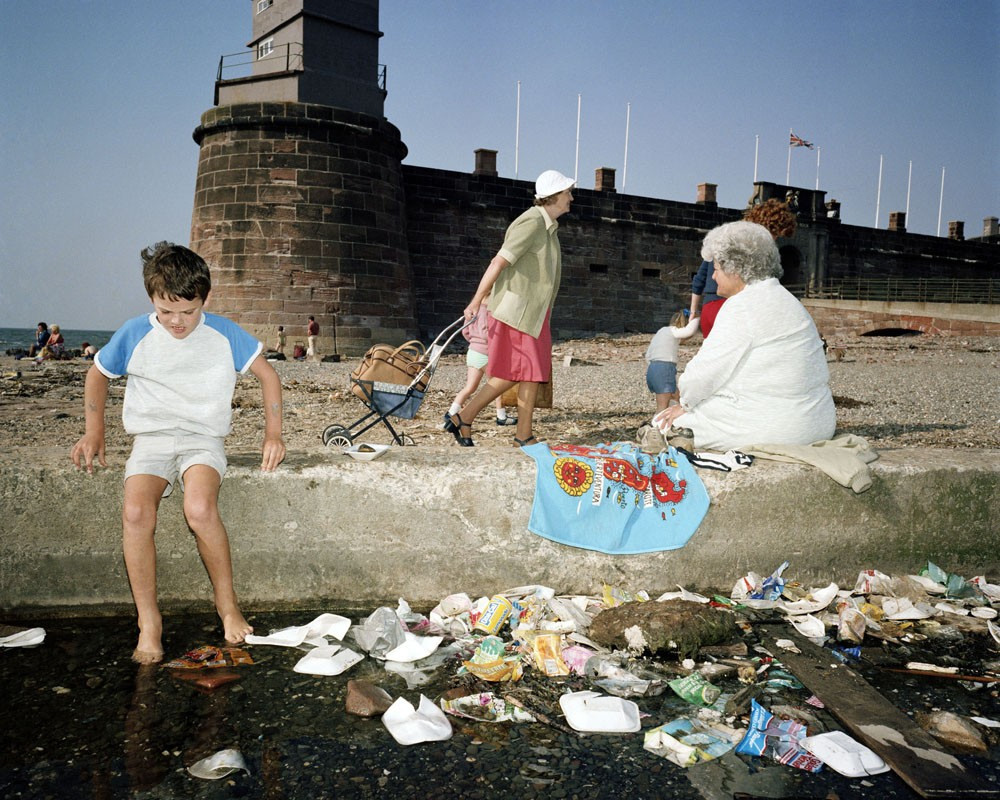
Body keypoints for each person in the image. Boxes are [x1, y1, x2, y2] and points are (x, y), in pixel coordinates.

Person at [70, 242, 286, 664]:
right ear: (152, 298)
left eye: (188, 311)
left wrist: (273, 435)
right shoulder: (135, 332)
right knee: (135, 512)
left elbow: (268, 376)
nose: (177, 321)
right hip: (151, 439)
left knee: (200, 509)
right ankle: (149, 620)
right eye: (166, 311)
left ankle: (227, 605)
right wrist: (94, 432)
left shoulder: (223, 333)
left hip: (202, 439)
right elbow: (97, 375)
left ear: (205, 298)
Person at [653, 221, 835, 450]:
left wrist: (685, 404)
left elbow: (703, 374)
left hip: (780, 429)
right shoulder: (788, 300)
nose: (714, 277)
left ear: (735, 269)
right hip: (818, 421)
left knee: (661, 422)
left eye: (717, 269)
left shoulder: (742, 306)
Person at [443, 169, 575, 447]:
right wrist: (476, 300)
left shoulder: (549, 228)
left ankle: (521, 434)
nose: (571, 198)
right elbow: (498, 262)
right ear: (553, 196)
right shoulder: (531, 222)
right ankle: (466, 417)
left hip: (534, 314)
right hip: (517, 313)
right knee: (517, 373)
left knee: (531, 373)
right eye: (567, 192)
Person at [689, 199, 797, 338]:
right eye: (775, 234)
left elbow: (699, 279)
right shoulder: (752, 247)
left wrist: (694, 311)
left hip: (708, 308)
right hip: (729, 308)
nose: (774, 240)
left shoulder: (723, 237)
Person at [444, 310, 516, 430]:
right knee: (497, 386)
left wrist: (474, 341)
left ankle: (451, 413)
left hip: (473, 351)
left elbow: (465, 331)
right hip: (486, 353)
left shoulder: (474, 309)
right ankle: (501, 416)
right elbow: (486, 334)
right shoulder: (490, 311)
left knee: (469, 387)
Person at [645, 309, 700, 412]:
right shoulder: (672, 331)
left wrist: (655, 367)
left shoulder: (662, 331)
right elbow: (690, 331)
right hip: (664, 369)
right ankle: (658, 422)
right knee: (662, 407)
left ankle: (678, 418)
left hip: (652, 369)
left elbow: (648, 355)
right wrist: (697, 318)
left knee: (677, 397)